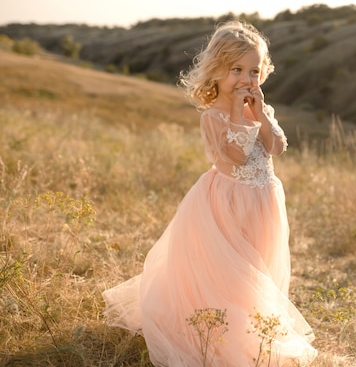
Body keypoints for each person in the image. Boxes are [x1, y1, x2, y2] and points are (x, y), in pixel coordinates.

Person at [102, 20, 317, 366]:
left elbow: (276, 148)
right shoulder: (214, 118)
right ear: (217, 70)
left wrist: (260, 114)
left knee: (257, 267)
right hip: (226, 204)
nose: (247, 79)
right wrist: (236, 112)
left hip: (263, 202)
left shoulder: (260, 110)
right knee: (228, 269)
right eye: (236, 69)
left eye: (254, 71)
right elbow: (235, 155)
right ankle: (219, 332)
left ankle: (250, 326)